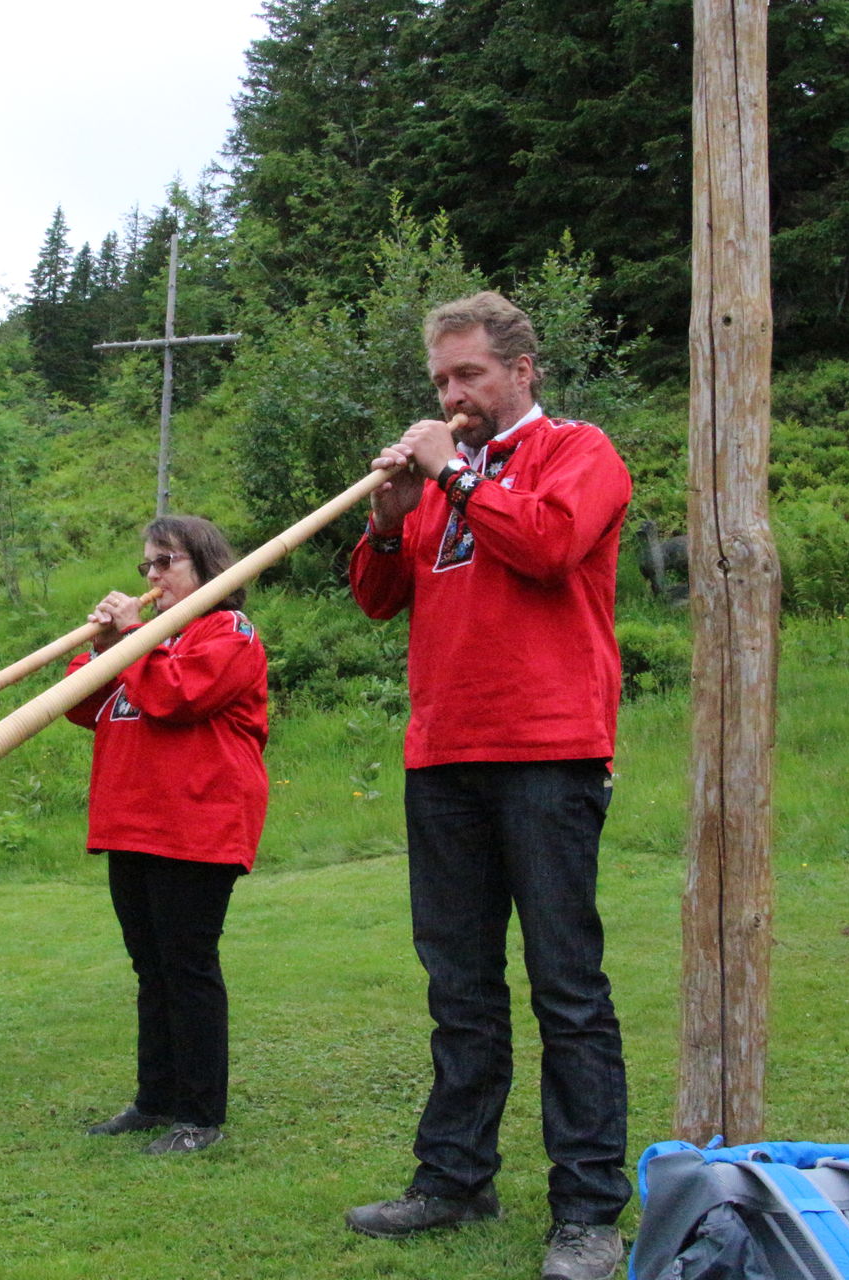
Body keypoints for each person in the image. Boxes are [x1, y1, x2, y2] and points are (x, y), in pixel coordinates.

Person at [344, 292, 633, 1280]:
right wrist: (388, 523)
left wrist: (451, 472)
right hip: (443, 755)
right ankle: (455, 1178)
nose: (452, 395)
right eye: (440, 380)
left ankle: (588, 1210)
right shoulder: (440, 484)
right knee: (459, 984)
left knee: (567, 986)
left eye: (468, 374)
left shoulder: (577, 450)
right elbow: (379, 597)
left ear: (521, 370)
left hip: (547, 750)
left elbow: (548, 547)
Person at [66, 515, 269, 1155]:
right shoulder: (148, 640)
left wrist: (132, 638)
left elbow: (178, 696)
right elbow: (79, 704)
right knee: (150, 969)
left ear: (206, 567)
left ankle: (199, 1115)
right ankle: (155, 1100)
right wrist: (107, 645)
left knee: (186, 967)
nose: (152, 576)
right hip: (132, 823)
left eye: (165, 562)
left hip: (197, 823)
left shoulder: (228, 631)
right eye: (147, 565)